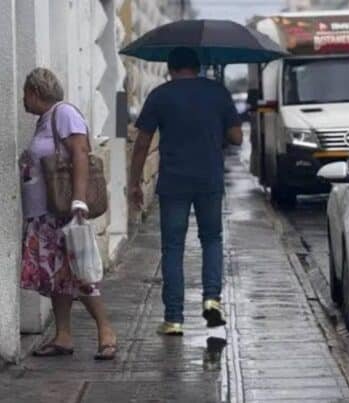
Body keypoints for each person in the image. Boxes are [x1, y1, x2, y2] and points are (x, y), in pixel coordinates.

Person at [129, 47, 243, 336]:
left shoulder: (160, 95)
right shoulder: (217, 93)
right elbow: (237, 138)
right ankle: (212, 300)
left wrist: (133, 183)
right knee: (212, 239)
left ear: (170, 67)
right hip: (209, 181)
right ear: (198, 66)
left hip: (174, 182)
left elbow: (141, 142)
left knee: (173, 248)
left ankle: (174, 319)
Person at [19, 68, 117, 360]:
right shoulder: (45, 121)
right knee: (58, 277)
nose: (23, 100)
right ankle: (63, 336)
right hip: (44, 215)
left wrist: (78, 200)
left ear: (35, 92)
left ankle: (106, 330)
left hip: (63, 212)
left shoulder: (64, 113)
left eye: (25, 94)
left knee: (79, 272)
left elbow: (80, 153)